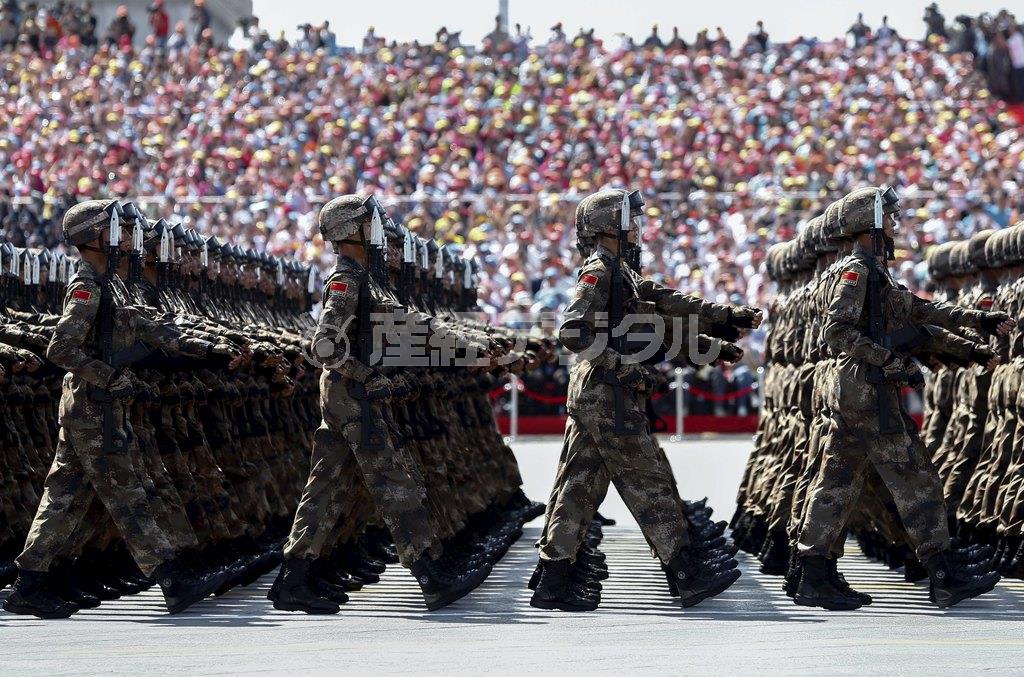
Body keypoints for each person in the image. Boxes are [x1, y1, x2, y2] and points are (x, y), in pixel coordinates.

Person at [2, 200, 225, 619]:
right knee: (127, 494)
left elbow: (145, 326)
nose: (124, 237)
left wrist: (204, 348)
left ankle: (29, 584)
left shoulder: (112, 283)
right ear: (94, 236)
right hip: (93, 405)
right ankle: (171, 577)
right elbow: (60, 348)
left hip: (98, 407)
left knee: (64, 497)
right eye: (115, 229)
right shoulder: (86, 284)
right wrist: (108, 377)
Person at [269, 194, 488, 614]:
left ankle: (293, 579)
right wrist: (371, 378)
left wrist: (461, 345)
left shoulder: (367, 278)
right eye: (369, 223)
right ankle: (429, 572)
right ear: (349, 231)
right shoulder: (347, 279)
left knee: (327, 486)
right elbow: (324, 345)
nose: (378, 230)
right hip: (353, 395)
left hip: (353, 394)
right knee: (395, 481)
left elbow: (405, 324)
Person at [793, 187, 1010, 610]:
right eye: (888, 217)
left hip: (855, 392)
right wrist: (889, 361)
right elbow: (836, 333)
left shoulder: (870, 272)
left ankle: (813, 573)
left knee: (834, 485)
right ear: (869, 224)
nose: (895, 223)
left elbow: (918, 310)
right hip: (869, 392)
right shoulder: (856, 272)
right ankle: (943, 574)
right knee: (917, 480)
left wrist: (977, 320)